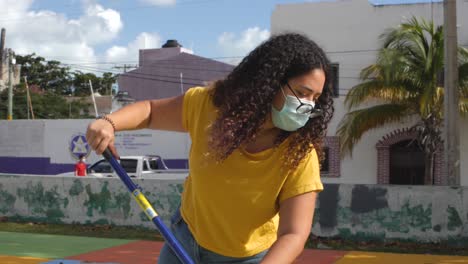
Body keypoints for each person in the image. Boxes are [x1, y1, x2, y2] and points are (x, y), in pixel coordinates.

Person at [86, 33, 334, 264]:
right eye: (302, 93)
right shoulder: (209, 106)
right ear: (270, 83)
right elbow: (150, 112)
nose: (308, 105)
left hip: (250, 259)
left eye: (315, 98)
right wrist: (108, 123)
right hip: (183, 242)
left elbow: (293, 234)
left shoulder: (299, 154)